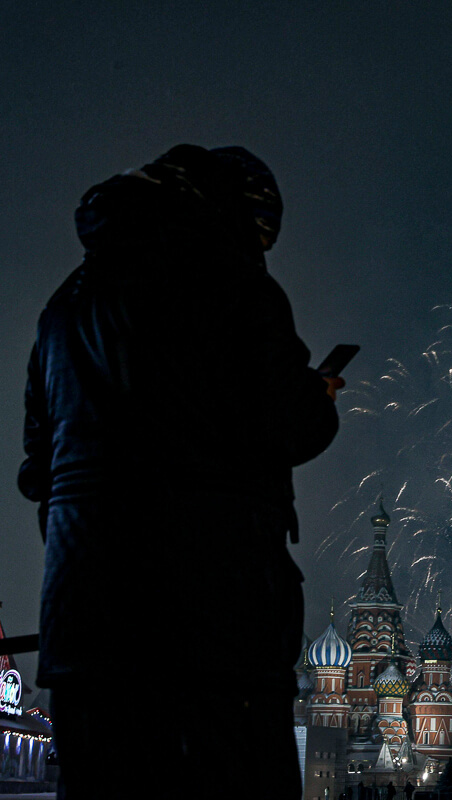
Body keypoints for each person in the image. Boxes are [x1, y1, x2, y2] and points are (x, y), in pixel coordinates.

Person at [19, 145, 342, 799]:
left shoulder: (66, 305)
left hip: (84, 623)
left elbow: (39, 466)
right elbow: (290, 423)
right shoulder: (235, 288)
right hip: (214, 622)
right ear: (228, 215)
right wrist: (318, 395)